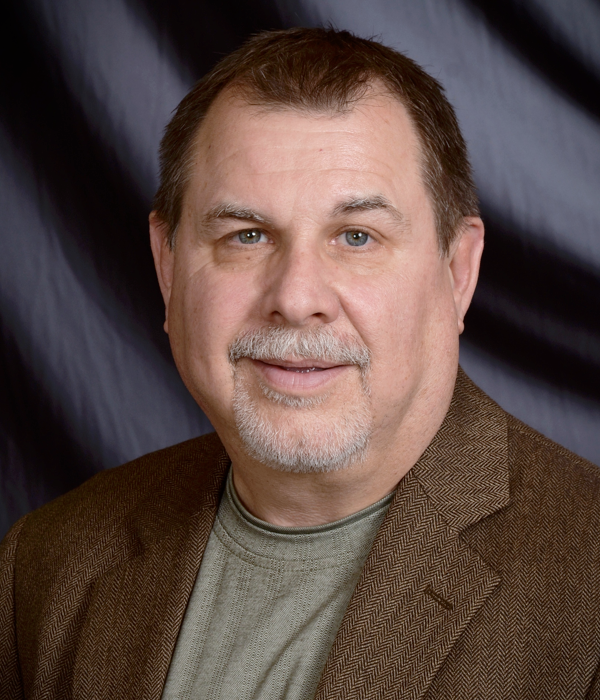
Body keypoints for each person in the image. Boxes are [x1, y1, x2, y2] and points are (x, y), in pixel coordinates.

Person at [2, 26, 600, 700]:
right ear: (168, 269)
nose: (295, 297)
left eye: (357, 237)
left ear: (457, 272)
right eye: (247, 236)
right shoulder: (43, 568)